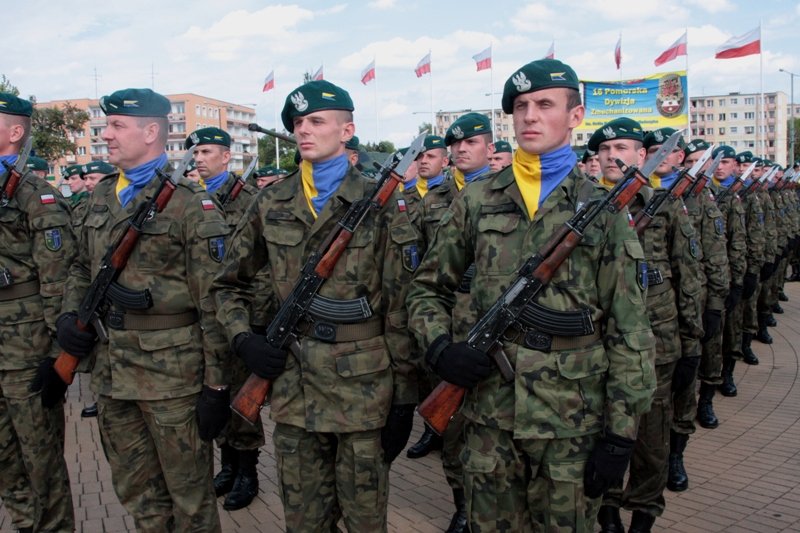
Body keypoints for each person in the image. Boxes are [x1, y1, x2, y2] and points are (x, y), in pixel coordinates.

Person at [406, 59, 656, 532]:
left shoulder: (601, 210)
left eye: (545, 104)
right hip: (490, 418)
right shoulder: (477, 200)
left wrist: (621, 433)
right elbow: (426, 290)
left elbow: (629, 329)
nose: (530, 116)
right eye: (520, 107)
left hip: (572, 422)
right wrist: (440, 348)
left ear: (576, 116)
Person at [209, 79, 421, 532]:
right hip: (294, 387)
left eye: (317, 121)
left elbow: (401, 305)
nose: (304, 130)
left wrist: (404, 396)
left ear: (347, 131)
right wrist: (244, 339)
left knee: (366, 522)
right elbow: (228, 284)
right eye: (298, 122)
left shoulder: (379, 202)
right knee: (303, 522)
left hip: (363, 392)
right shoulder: (272, 200)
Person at [53, 88, 230, 532]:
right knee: (137, 493)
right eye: (105, 125)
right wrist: (68, 318)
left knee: (190, 500)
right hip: (113, 374)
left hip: (173, 378)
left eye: (116, 126)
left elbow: (216, 300)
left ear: (151, 132)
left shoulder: (190, 201)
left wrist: (217, 386)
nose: (105, 135)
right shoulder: (98, 198)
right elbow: (79, 266)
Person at [593, 124, 703, 533]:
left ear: (642, 156)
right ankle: (606, 511)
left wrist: (692, 341)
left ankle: (643, 517)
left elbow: (688, 277)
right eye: (603, 148)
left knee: (650, 441)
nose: (610, 155)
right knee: (602, 433)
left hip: (657, 344)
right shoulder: (584, 208)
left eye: (621, 147)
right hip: (600, 347)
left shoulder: (666, 207)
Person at [0, 92, 76, 533]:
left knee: (40, 460)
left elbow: (59, 282)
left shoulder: (36, 197)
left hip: (25, 352)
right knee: (5, 459)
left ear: (15, 132)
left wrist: (57, 356)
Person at [185, 126, 264, 511]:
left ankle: (248, 470)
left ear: (226, 157)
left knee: (240, 398)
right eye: (195, 152)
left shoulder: (249, 200)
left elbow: (261, 269)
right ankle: (228, 465)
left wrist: (252, 324)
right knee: (214, 395)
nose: (198, 159)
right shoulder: (189, 199)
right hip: (201, 319)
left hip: (238, 320)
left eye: (206, 152)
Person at [668, 139, 730, 493]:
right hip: (658, 313)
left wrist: (715, 301)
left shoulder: (703, 199)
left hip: (696, 303)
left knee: (692, 378)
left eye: (695, 160)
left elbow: (712, 254)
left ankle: (678, 453)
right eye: (687, 159)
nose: (690, 165)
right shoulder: (666, 200)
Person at [709, 145, 749, 398]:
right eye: (717, 162)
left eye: (726, 162)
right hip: (707, 280)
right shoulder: (701, 193)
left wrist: (739, 279)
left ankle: (728, 374)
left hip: (730, 275)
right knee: (710, 339)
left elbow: (738, 240)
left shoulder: (737, 195)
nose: (720, 167)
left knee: (730, 329)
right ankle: (708, 392)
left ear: (734, 165)